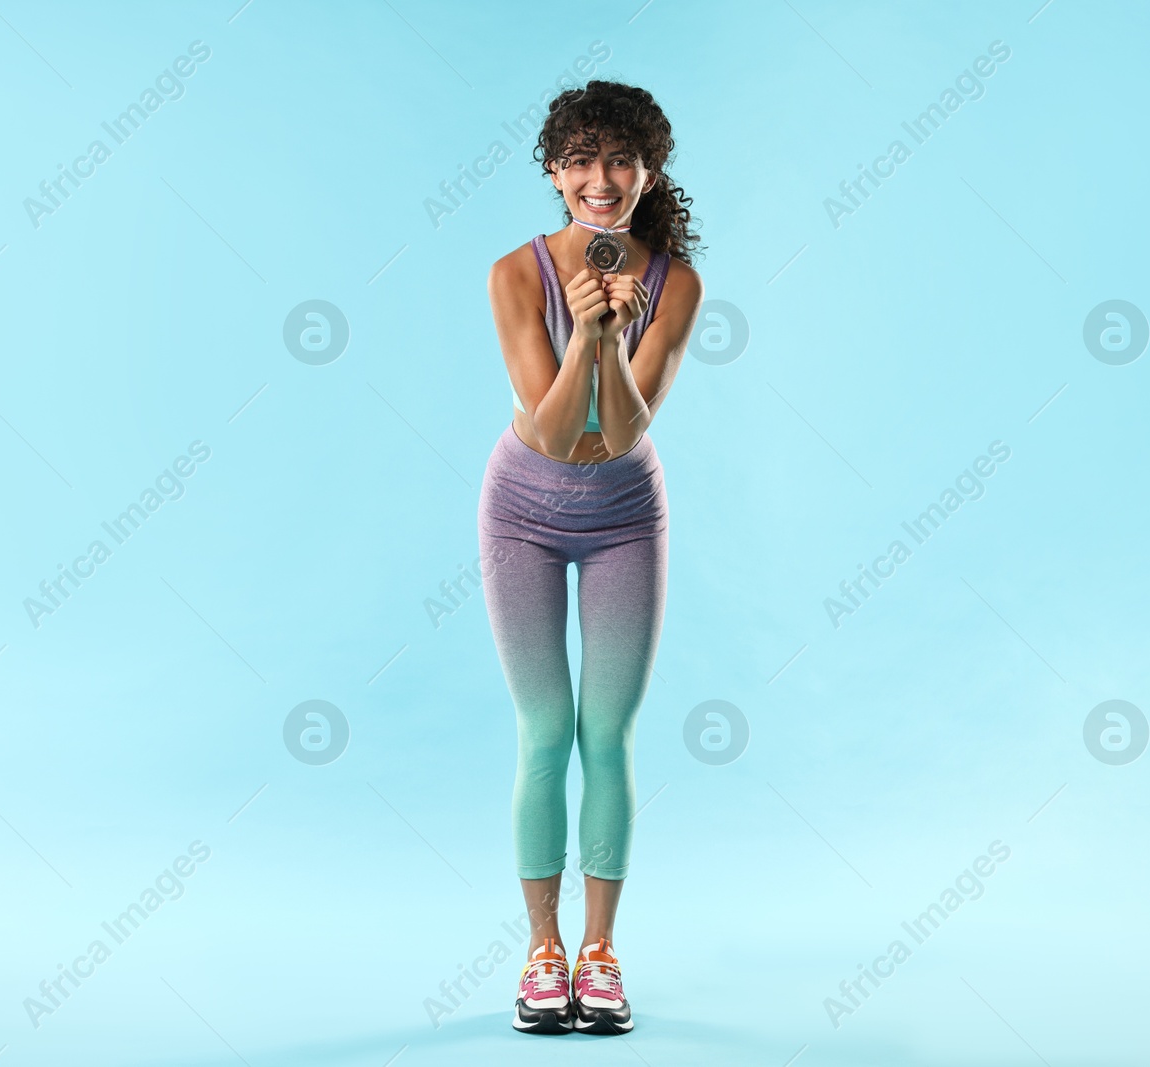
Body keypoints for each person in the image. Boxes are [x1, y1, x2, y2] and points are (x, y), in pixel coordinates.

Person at [479, 79, 704, 1036]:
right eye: (579, 158)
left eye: (619, 158)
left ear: (650, 171)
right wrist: (586, 342)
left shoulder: (676, 284)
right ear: (554, 173)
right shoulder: (516, 274)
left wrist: (610, 338)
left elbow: (618, 437)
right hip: (522, 509)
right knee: (544, 730)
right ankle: (543, 952)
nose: (599, 178)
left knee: (605, 735)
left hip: (624, 516)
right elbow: (552, 429)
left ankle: (602, 956)